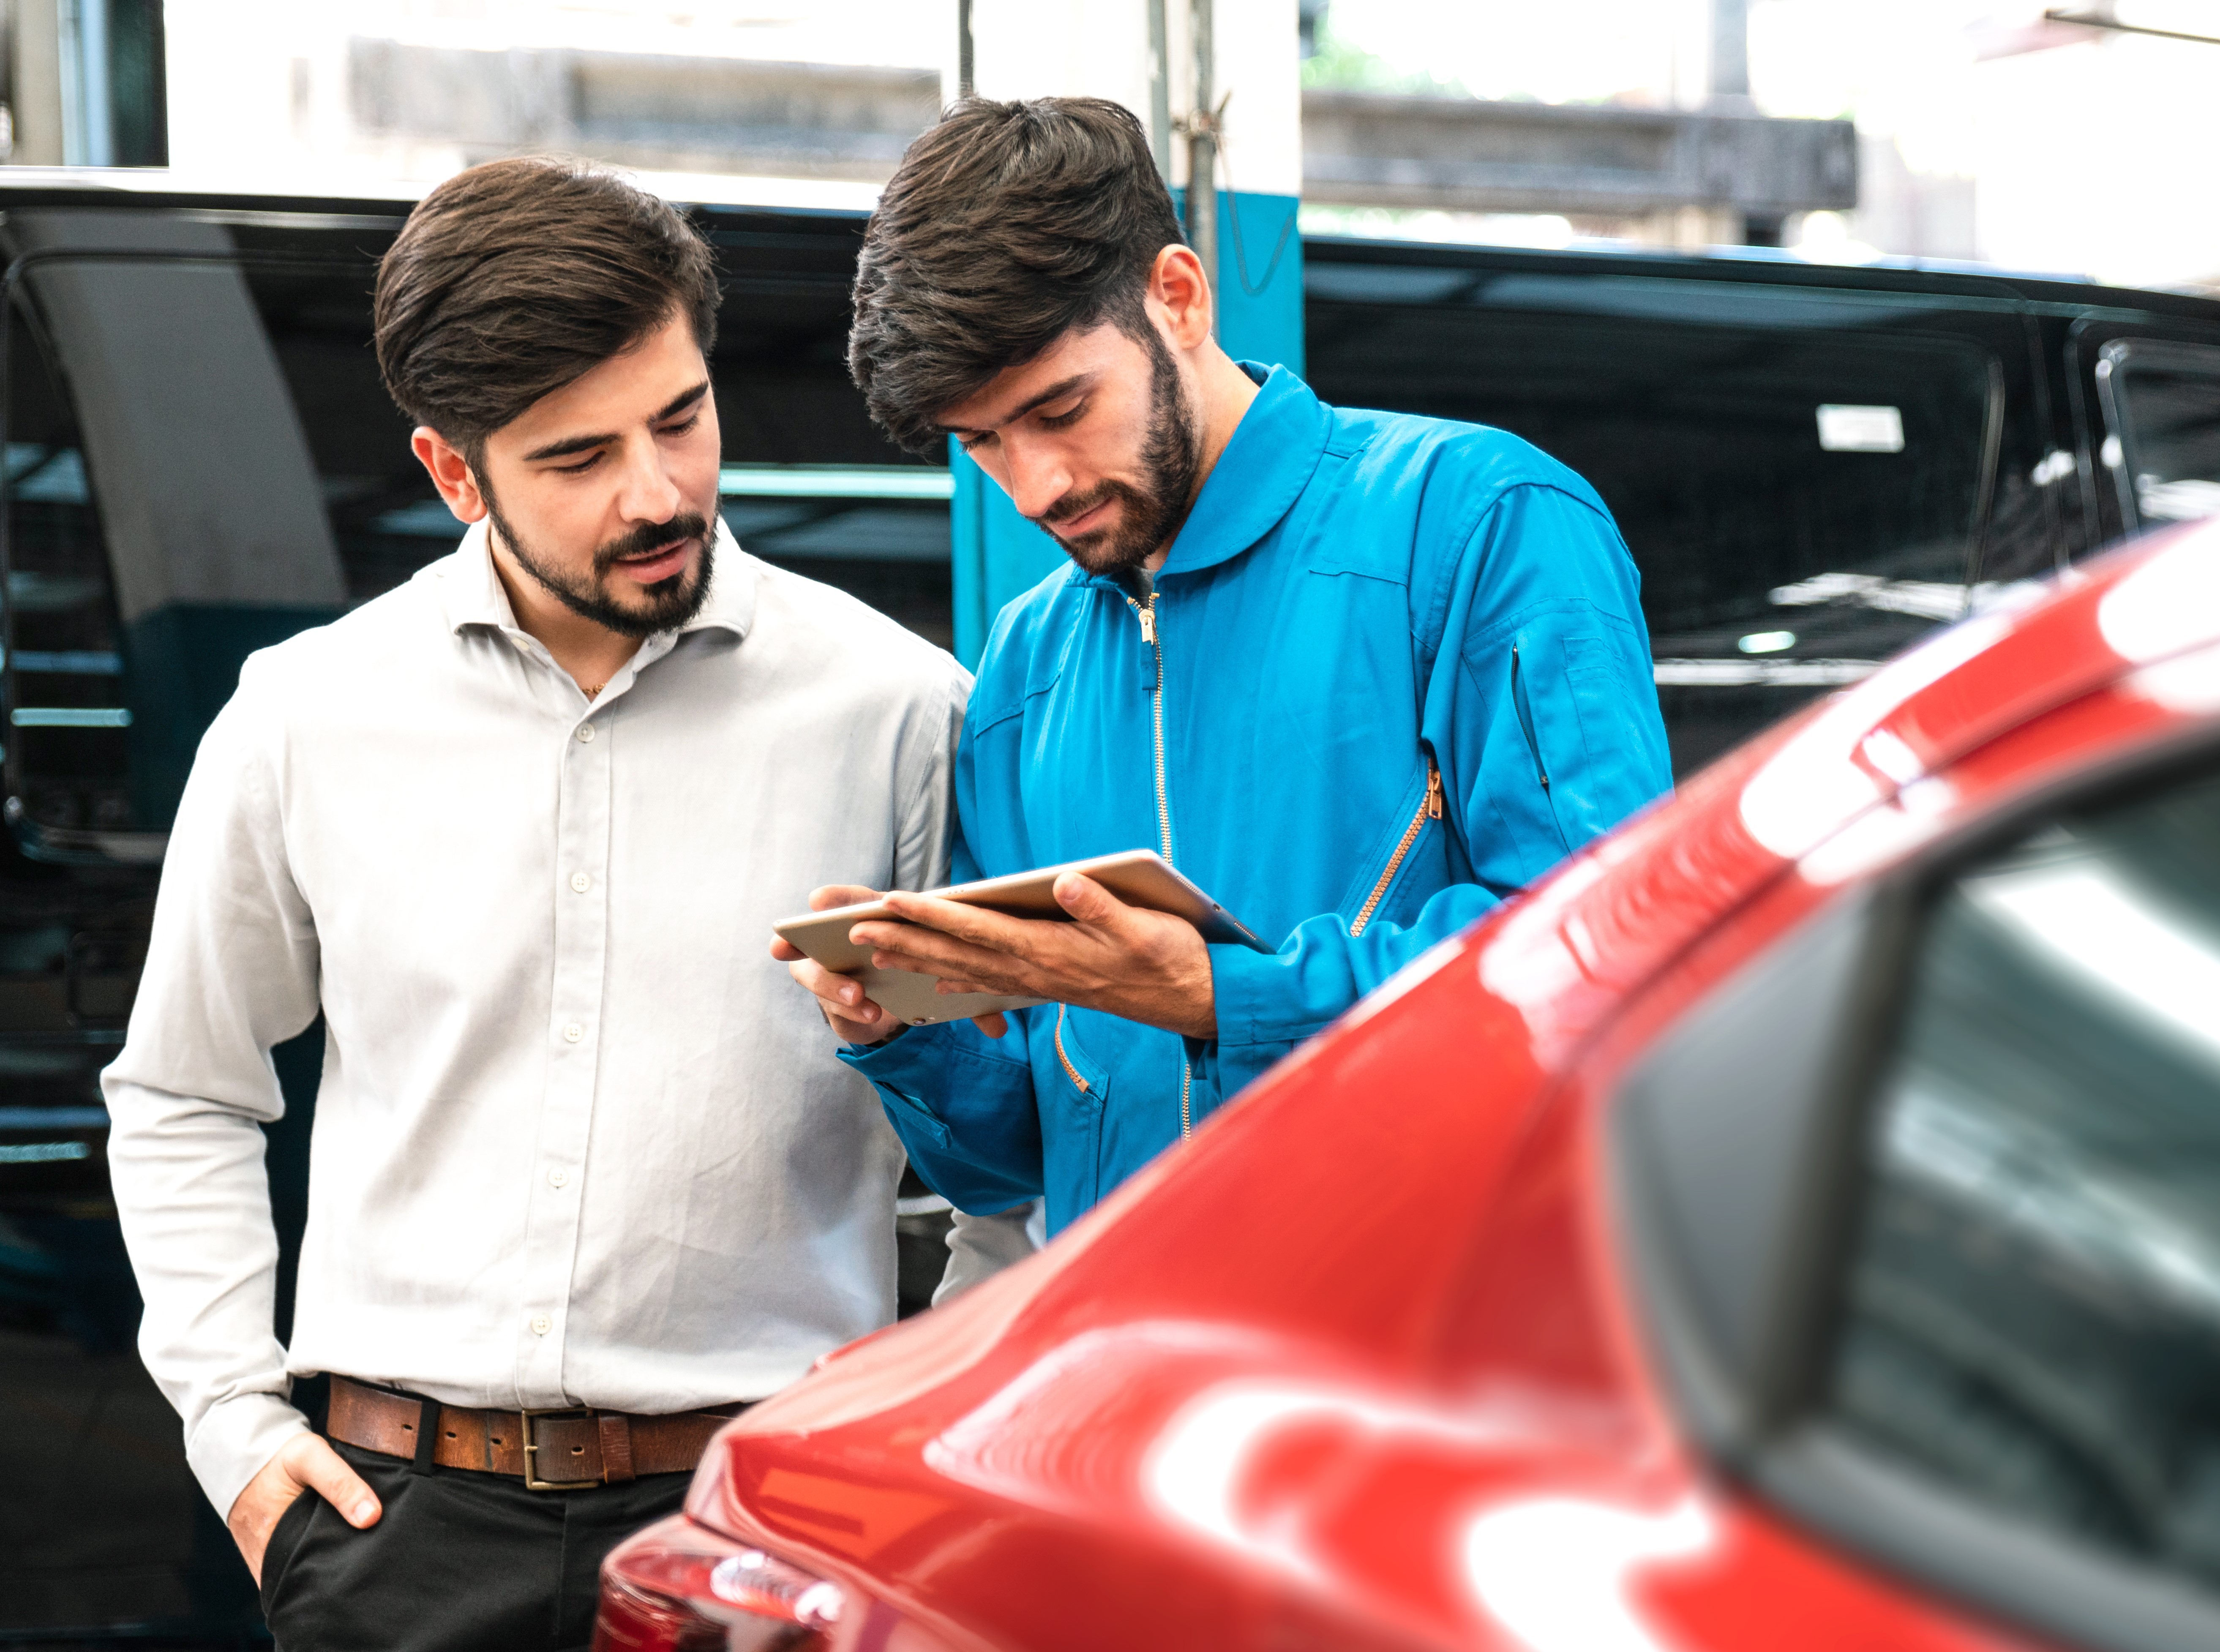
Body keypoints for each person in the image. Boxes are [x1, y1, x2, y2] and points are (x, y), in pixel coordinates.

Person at [100, 159, 970, 1649]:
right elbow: (183, 1092)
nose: (657, 493)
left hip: (763, 1526)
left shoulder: (899, 710)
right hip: (392, 1538)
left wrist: (919, 1451)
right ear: (455, 472)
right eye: (577, 459)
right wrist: (239, 1439)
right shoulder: (306, 716)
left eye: (680, 420)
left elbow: (992, 1146)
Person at [777, 97, 1673, 1234]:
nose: (1037, 485)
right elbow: (1012, 1163)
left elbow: (1610, 961)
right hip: (1152, 1370)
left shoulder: (1481, 523)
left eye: (1061, 408)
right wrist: (901, 1034)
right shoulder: (1028, 666)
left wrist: (1219, 998)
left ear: (1181, 297)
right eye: (984, 442)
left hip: (1432, 1354)